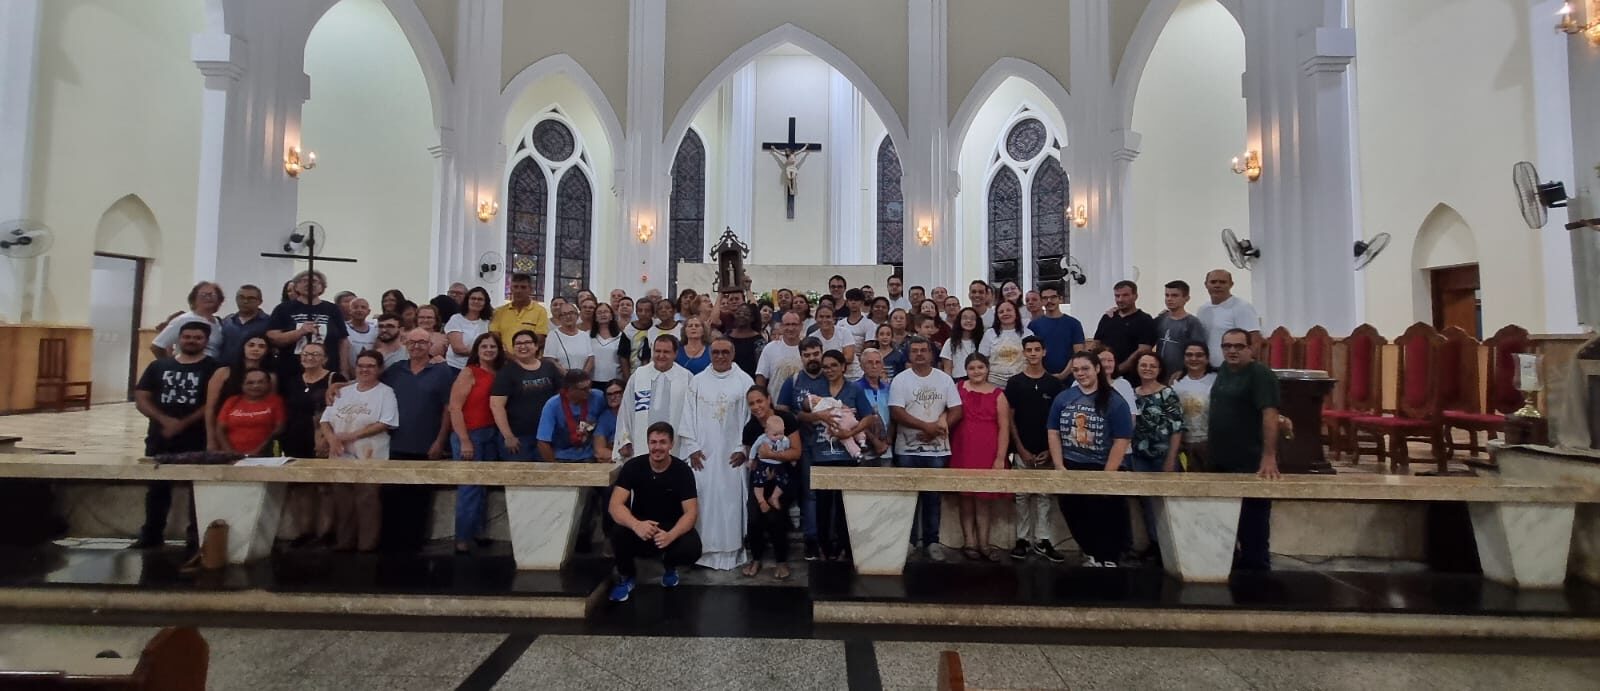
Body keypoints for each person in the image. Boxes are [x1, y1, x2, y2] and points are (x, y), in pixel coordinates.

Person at [129, 322, 221, 550]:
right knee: (157, 488)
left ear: (206, 341)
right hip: (160, 436)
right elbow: (141, 397)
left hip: (196, 436)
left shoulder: (214, 368)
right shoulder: (158, 366)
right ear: (179, 339)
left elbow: (213, 402)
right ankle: (151, 534)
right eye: (187, 336)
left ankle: (195, 536)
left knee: (197, 489)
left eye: (197, 337)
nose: (191, 341)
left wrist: (183, 423)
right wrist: (164, 420)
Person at [781, 348, 876, 560]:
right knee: (822, 504)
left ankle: (845, 546)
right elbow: (800, 415)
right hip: (820, 454)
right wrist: (820, 416)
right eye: (826, 366)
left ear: (843, 367)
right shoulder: (816, 389)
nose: (829, 370)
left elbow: (869, 416)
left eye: (834, 365)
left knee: (845, 504)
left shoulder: (854, 389)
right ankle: (824, 548)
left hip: (846, 456)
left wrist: (849, 433)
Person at [1048, 350, 1134, 567]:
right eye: (1075, 370)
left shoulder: (1115, 401)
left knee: (1105, 517)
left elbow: (1121, 439)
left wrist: (1107, 474)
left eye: (1085, 368)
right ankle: (1092, 556)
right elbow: (1053, 431)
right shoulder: (1064, 398)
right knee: (1075, 514)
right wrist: (1059, 465)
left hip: (1103, 466)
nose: (1080, 373)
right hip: (1071, 465)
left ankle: (1110, 560)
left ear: (1097, 368)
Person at [1209, 328, 1281, 571]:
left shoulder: (1260, 374)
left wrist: (1269, 456)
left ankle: (1257, 579)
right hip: (1221, 460)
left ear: (1250, 349)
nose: (1232, 350)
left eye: (1238, 346)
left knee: (1253, 527)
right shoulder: (1224, 371)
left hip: (1250, 461)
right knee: (1226, 525)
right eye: (1227, 346)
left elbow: (1270, 414)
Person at [607, 422, 703, 602]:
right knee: (618, 532)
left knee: (692, 548)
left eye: (662, 442)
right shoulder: (633, 466)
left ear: (671, 444)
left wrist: (671, 535)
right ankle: (627, 576)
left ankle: (670, 565)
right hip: (642, 526)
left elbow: (691, 513)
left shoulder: (683, 471)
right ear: (648, 443)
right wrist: (636, 525)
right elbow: (615, 505)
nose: (657, 447)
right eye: (653, 442)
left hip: (670, 529)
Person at [379, 328, 456, 551]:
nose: (417, 346)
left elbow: (447, 409)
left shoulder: (441, 371)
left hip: (426, 445)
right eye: (412, 342)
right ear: (406, 344)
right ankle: (390, 546)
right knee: (391, 497)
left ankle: (414, 546)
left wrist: (440, 441)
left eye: (422, 342)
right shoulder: (396, 369)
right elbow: (370, 383)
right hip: (395, 444)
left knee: (419, 499)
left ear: (430, 345)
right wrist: (339, 385)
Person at [889, 336, 963, 561]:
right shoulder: (901, 380)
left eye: (923, 350)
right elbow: (896, 412)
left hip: (937, 450)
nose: (919, 354)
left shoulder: (944, 379)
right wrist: (925, 426)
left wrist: (937, 430)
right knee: (908, 498)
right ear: (909, 355)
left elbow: (957, 410)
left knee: (933, 497)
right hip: (907, 449)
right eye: (915, 351)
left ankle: (932, 541)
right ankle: (909, 541)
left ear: (931, 354)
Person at [683, 337, 755, 569]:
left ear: (733, 354)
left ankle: (732, 550)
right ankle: (701, 550)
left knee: (730, 503)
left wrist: (743, 448)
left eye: (725, 352)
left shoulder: (744, 381)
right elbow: (687, 415)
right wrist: (692, 447)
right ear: (710, 355)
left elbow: (751, 418)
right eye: (716, 352)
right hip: (703, 456)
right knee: (703, 501)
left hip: (732, 456)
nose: (721, 356)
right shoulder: (697, 381)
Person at [320, 350, 400, 552]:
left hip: (370, 455)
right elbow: (325, 420)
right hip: (339, 455)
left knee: (367, 502)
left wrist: (351, 436)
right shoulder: (343, 391)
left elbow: (385, 422)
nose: (365, 369)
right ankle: (344, 544)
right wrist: (332, 439)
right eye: (361, 365)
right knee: (343, 502)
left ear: (379, 369)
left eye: (370, 366)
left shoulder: (386, 393)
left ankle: (367, 547)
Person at [1004, 336, 1066, 562]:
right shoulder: (1015, 383)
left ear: (1044, 352)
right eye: (1028, 349)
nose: (1033, 353)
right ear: (1023, 353)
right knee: (1021, 495)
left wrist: (1051, 450)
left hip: (1046, 450)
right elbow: (1010, 418)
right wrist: (1019, 448)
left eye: (1037, 349)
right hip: (1023, 450)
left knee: (1044, 496)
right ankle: (1022, 539)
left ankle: (1043, 540)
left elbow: (1059, 420)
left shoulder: (1054, 384)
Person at [538, 369, 609, 551]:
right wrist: (555, 469)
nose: (588, 392)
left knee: (588, 492)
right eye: (583, 389)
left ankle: (584, 534)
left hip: (588, 456)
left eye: (589, 387)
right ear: (569, 390)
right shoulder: (552, 405)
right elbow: (543, 441)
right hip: (562, 457)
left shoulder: (597, 397)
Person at [281, 341, 344, 547]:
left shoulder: (334, 379)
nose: (310, 357)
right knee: (301, 487)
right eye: (306, 354)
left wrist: (327, 438)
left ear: (325, 358)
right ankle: (305, 531)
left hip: (323, 438)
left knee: (325, 487)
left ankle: (326, 532)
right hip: (295, 437)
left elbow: (340, 410)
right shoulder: (292, 381)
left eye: (316, 354)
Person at [949, 353, 1011, 562]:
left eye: (980, 367)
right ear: (966, 370)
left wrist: (1000, 458)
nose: (976, 371)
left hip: (988, 451)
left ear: (987, 369)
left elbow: (1004, 428)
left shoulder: (998, 395)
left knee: (984, 499)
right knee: (965, 498)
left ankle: (984, 543)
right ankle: (969, 542)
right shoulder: (957, 388)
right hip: (963, 449)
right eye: (972, 368)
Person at [448, 332, 504, 553]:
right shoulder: (469, 372)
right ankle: (462, 538)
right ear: (477, 351)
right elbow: (455, 408)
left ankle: (478, 531)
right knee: (469, 487)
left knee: (482, 487)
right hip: (469, 434)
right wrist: (464, 440)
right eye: (484, 347)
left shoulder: (499, 373)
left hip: (491, 434)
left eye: (493, 347)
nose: (489, 350)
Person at [741, 387, 802, 579]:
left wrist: (773, 456)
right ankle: (756, 558)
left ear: (769, 399)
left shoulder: (786, 420)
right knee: (754, 516)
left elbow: (796, 452)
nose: (756, 406)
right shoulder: (751, 429)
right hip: (761, 477)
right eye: (751, 403)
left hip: (783, 477)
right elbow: (753, 459)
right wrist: (762, 470)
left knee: (776, 516)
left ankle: (781, 561)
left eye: (759, 401)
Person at [1129, 351, 1184, 560]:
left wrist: (1171, 458)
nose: (1148, 369)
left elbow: (1177, 428)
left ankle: (1170, 548)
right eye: (1143, 365)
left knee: (1165, 505)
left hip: (1163, 456)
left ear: (1159, 369)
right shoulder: (1132, 394)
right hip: (1139, 456)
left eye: (1152, 366)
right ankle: (1154, 544)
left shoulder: (1168, 393)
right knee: (1147, 504)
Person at [615, 335, 697, 461]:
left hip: (676, 446)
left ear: (675, 354)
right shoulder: (639, 376)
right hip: (641, 445)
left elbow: (693, 415)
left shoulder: (686, 378)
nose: (661, 355)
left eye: (666, 352)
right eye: (657, 351)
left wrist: (692, 446)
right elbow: (626, 410)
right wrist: (625, 440)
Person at [266, 270, 350, 385]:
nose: (309, 284)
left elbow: (343, 340)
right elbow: (273, 337)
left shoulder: (332, 309)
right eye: (304, 281)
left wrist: (344, 370)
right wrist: (299, 332)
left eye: (314, 281)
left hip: (327, 369)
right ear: (296, 286)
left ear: (322, 287)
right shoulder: (283, 309)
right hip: (292, 370)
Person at [492, 330, 563, 460]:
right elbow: (497, 406)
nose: (523, 346)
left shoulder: (549, 367)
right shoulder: (506, 372)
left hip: (547, 435)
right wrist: (508, 436)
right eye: (518, 343)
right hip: (518, 438)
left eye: (527, 342)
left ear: (536, 346)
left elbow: (561, 398)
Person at [202, 334, 274, 449]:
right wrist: (211, 439)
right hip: (223, 430)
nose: (256, 349)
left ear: (267, 351)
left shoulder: (271, 377)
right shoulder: (223, 372)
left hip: (257, 433)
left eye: (261, 346)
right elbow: (210, 408)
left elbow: (272, 407)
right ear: (243, 348)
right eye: (251, 345)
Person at [1093, 280, 1158, 380]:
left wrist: (1117, 370)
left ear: (1135, 296)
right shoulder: (1108, 317)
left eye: (1125, 295)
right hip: (1104, 376)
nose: (1120, 299)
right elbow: (1096, 344)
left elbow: (1143, 351)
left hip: (1131, 378)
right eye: (1117, 296)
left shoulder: (1145, 320)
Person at [1196, 270, 1261, 368]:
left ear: (1231, 284)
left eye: (1222, 282)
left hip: (1234, 369)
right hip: (1208, 369)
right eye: (1213, 282)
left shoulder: (1242, 307)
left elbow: (1254, 341)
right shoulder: (1202, 310)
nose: (1217, 285)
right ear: (1206, 284)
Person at [215, 369, 286, 456]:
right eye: (250, 383)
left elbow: (278, 429)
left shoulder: (276, 401)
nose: (255, 386)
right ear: (242, 385)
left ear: (269, 384)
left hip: (264, 455)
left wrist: (256, 452)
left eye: (261, 382)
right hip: (231, 455)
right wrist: (231, 453)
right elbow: (220, 429)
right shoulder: (232, 401)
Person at [151, 281, 227, 360]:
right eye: (203, 295)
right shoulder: (184, 319)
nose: (208, 298)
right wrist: (169, 364)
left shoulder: (218, 322)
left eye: (212, 295)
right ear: (194, 299)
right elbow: (157, 346)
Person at [1173, 342, 1218, 471]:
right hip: (1185, 444)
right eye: (1189, 355)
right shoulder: (1176, 383)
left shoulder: (1217, 380)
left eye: (1199, 355)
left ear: (1207, 358)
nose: (1194, 359)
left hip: (1211, 443)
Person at [1028, 284, 1085, 380]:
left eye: (1053, 297)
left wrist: (1063, 375)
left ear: (1061, 299)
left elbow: (1079, 354)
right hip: (1041, 378)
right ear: (1041, 301)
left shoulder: (1074, 324)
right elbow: (1030, 354)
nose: (1049, 301)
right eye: (1045, 298)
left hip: (1070, 378)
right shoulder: (1034, 325)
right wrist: (1046, 375)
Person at [1153, 280, 1207, 377]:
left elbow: (1198, 352)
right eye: (1167, 295)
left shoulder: (1192, 323)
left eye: (1174, 295)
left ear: (1186, 298)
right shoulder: (1160, 319)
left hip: (1181, 374)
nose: (1169, 299)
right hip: (1159, 373)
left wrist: (1186, 371)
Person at [490, 273, 551, 350]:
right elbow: (494, 335)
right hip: (503, 356)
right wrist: (506, 353)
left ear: (531, 290)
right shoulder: (499, 312)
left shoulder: (540, 311)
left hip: (528, 356)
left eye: (523, 287)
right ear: (511, 289)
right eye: (515, 287)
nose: (518, 291)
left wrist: (522, 353)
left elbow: (540, 338)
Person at [980, 301, 1032, 387]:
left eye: (1009, 310)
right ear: (997, 316)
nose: (1005, 313)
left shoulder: (1027, 333)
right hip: (994, 384)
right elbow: (982, 359)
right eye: (1001, 312)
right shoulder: (989, 334)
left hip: (1022, 383)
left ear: (1016, 313)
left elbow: (1033, 358)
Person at [220, 284, 272, 367]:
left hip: (256, 370)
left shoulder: (269, 322)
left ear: (260, 301)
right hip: (226, 368)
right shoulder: (227, 321)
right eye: (241, 297)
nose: (245, 301)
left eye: (251, 298)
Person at [445, 287, 495, 370]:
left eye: (480, 299)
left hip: (479, 367)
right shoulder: (456, 319)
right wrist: (484, 352)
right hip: (455, 367)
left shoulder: (488, 322)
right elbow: (458, 349)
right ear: (467, 300)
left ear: (485, 303)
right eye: (473, 298)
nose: (476, 301)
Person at [754, 311, 805, 391]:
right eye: (787, 324)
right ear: (781, 327)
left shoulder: (807, 348)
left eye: (794, 324)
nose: (790, 328)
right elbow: (761, 377)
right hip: (775, 398)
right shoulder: (770, 348)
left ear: (801, 326)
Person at [547, 302, 595, 376]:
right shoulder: (553, 335)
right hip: (562, 378)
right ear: (559, 318)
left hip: (582, 379)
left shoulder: (584, 335)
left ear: (577, 315)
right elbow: (550, 359)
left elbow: (591, 358)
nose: (568, 316)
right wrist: (567, 375)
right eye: (564, 314)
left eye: (571, 313)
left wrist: (583, 375)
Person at [591, 302, 630, 389]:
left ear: (611, 316)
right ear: (595, 317)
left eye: (606, 312)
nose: (603, 315)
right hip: (593, 381)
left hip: (615, 382)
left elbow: (624, 362)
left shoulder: (621, 337)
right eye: (599, 312)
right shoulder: (588, 337)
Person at [940, 308, 984, 379]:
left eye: (972, 318)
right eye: (965, 318)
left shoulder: (983, 341)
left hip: (978, 379)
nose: (968, 321)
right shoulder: (950, 342)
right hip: (958, 381)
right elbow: (947, 369)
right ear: (959, 321)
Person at [726, 303, 766, 377]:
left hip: (750, 380)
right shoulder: (727, 335)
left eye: (746, 314)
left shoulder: (759, 341)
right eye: (738, 313)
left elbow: (762, 368)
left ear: (752, 318)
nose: (741, 316)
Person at [593, 378, 625, 461]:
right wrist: (619, 457)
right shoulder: (605, 417)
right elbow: (599, 450)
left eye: (617, 393)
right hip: (615, 460)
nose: (613, 397)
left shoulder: (635, 414)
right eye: (609, 394)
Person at [344, 297, 378, 373]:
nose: (359, 310)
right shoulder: (343, 328)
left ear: (368, 311)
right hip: (349, 373)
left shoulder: (375, 329)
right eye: (355, 307)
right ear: (350, 311)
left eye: (363, 307)